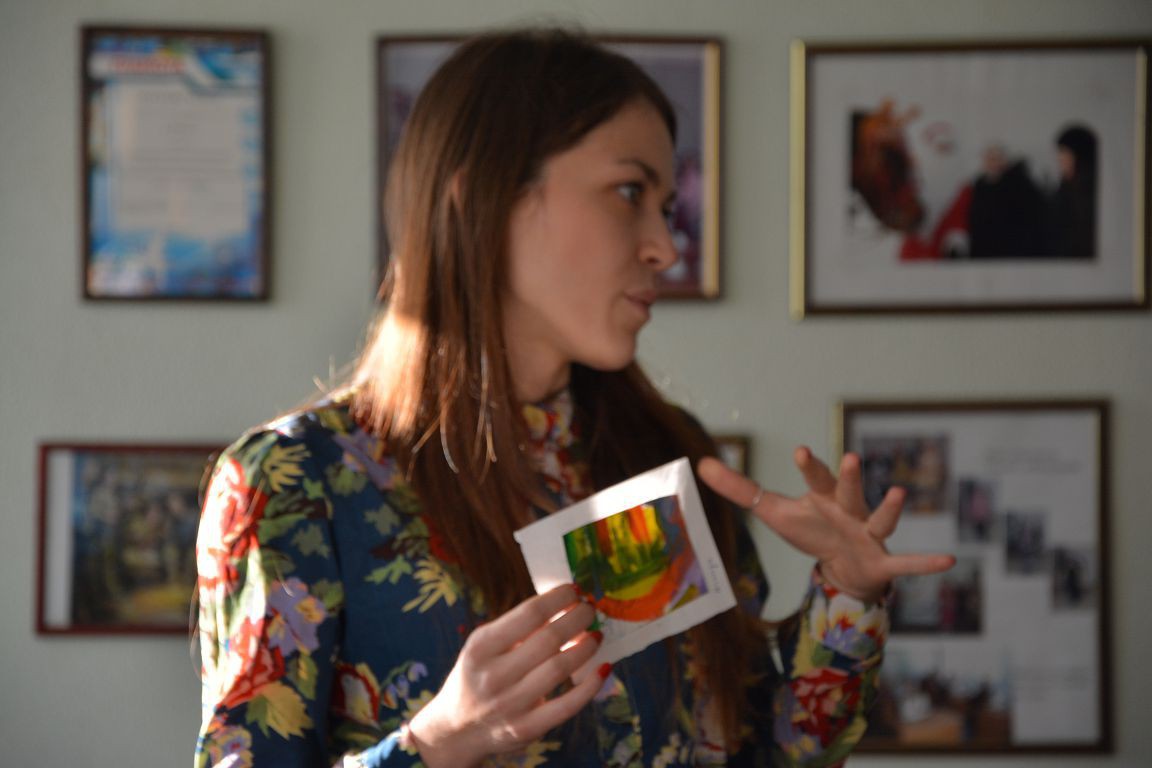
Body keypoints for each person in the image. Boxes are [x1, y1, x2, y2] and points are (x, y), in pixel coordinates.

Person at [194, 28, 954, 767]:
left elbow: (757, 748)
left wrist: (847, 596)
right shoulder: (297, 483)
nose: (666, 246)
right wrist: (436, 747)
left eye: (665, 204)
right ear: (482, 198)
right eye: (629, 192)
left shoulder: (668, 456)